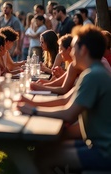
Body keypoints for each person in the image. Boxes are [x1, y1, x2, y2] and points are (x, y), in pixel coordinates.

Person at [19, 25, 111, 173]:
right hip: (98, 144)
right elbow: (66, 100)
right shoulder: (94, 72)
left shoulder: (93, 76)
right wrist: (30, 102)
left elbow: (69, 113)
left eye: (74, 48)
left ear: (84, 50)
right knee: (44, 149)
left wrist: (34, 110)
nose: (71, 53)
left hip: (104, 151)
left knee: (43, 158)